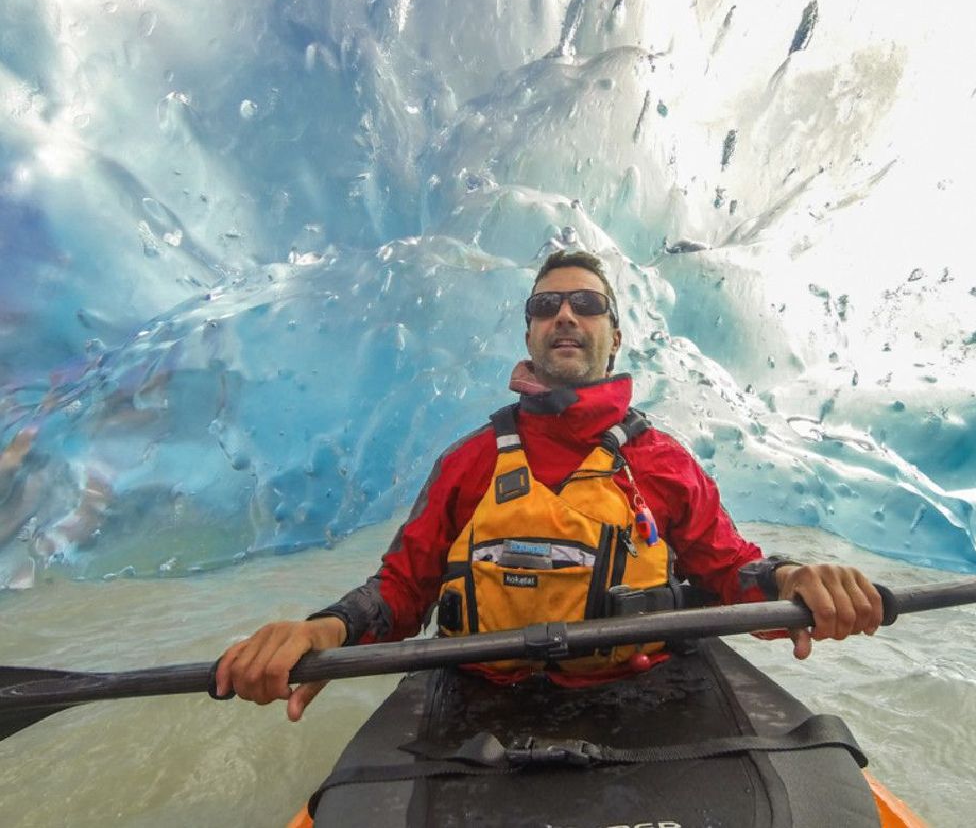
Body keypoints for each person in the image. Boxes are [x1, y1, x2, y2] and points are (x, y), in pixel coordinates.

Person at [215, 250, 883, 721]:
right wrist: (323, 630)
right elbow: (400, 590)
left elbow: (735, 571)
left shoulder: (663, 462)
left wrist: (796, 579)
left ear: (613, 336)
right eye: (547, 305)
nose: (566, 314)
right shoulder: (469, 461)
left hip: (642, 701)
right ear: (531, 332)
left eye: (586, 304)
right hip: (479, 703)